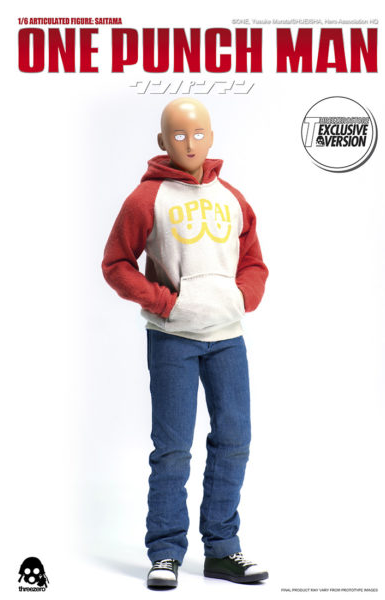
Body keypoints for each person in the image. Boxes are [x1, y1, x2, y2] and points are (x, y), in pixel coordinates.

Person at [101, 98, 269, 589]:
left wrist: (242, 297)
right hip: (172, 339)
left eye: (198, 134)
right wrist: (164, 303)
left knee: (234, 441)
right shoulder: (146, 199)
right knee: (172, 448)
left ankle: (222, 549)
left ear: (211, 137)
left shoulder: (233, 198)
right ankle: (166, 552)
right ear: (162, 141)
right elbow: (116, 263)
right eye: (178, 135)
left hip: (227, 338)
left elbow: (254, 261)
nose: (190, 143)